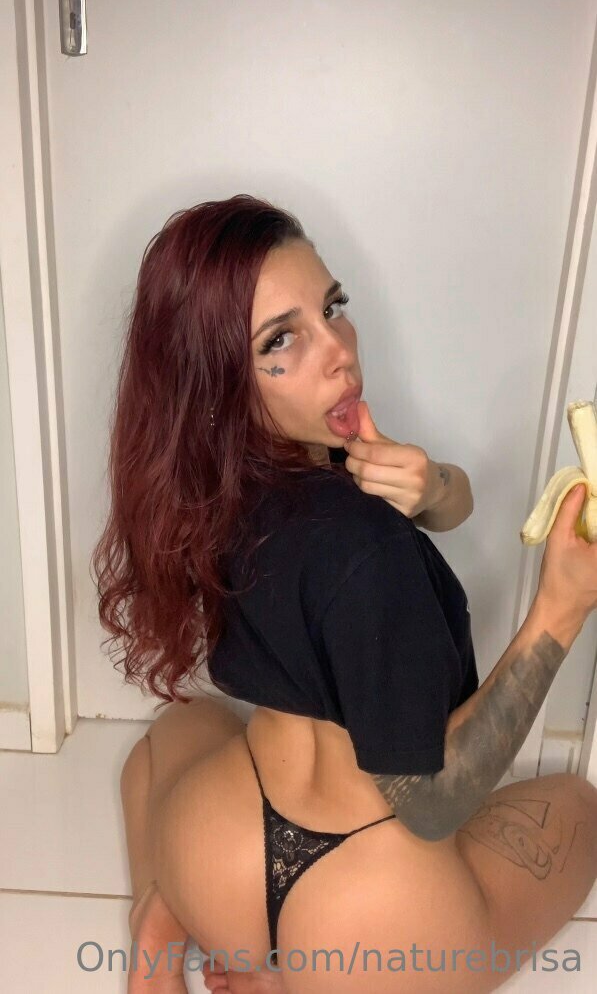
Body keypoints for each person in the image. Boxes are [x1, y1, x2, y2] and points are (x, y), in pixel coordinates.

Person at [93, 195, 597, 993]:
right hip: (362, 922)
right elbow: (430, 806)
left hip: (219, 856)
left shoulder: (216, 481)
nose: (339, 352)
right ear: (219, 376)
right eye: (280, 340)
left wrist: (431, 485)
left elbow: (448, 506)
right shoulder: (368, 552)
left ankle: (163, 918)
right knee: (577, 803)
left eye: (331, 308)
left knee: (180, 727)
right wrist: (561, 607)